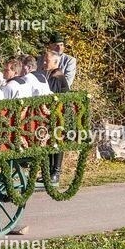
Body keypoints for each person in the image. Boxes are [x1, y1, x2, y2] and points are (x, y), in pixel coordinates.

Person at [44, 49, 71, 185]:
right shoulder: (53, 74)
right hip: (55, 114)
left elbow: (51, 95)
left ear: (55, 62)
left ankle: (56, 172)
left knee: (57, 142)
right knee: (52, 141)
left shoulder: (56, 76)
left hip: (60, 114)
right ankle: (49, 171)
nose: (44, 62)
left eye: (47, 60)